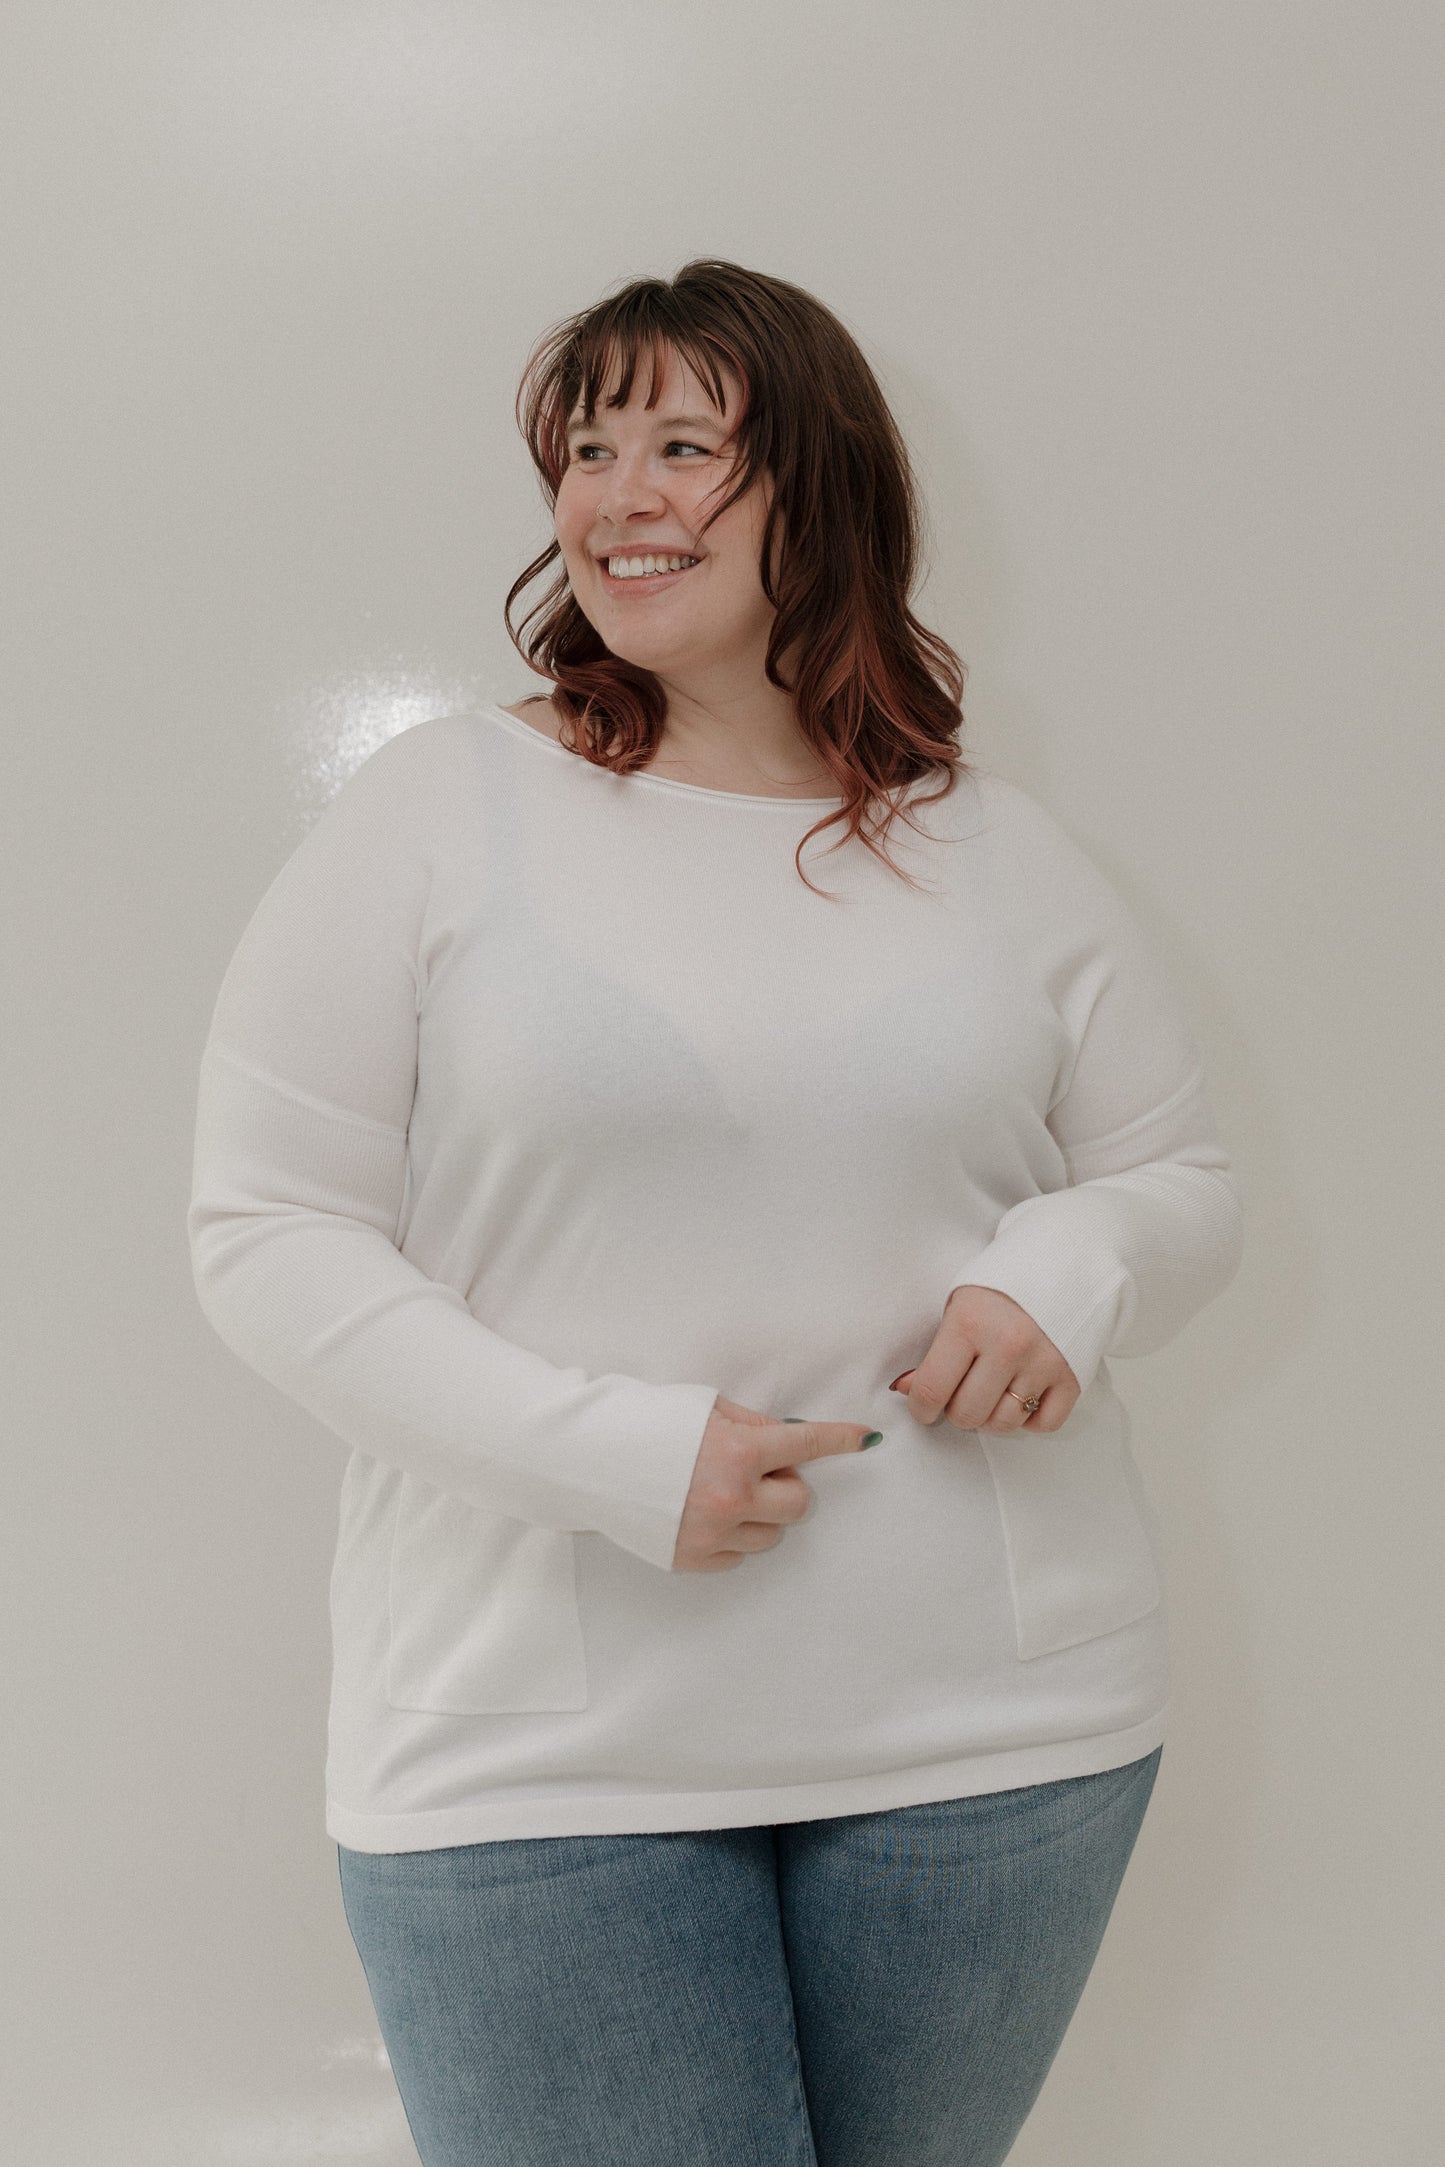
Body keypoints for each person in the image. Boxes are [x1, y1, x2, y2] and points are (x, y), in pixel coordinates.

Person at [187, 259, 1244, 2167]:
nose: (620, 497)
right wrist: (609, 1458)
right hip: (533, 1744)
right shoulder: (432, 814)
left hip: (994, 1738)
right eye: (588, 451)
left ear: (822, 492)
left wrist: (1070, 1270)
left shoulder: (991, 843)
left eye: (686, 444)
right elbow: (266, 1232)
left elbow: (1179, 1182)